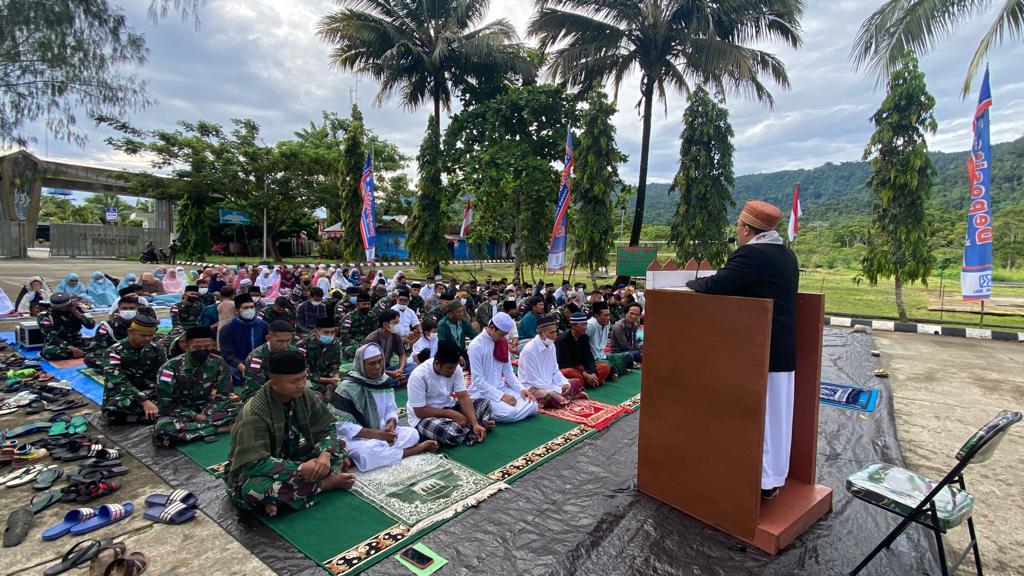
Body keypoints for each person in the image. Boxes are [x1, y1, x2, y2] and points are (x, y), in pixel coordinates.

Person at [686, 199, 798, 500]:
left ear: (747, 229)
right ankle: (774, 475)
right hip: (781, 349)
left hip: (762, 352)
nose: (736, 230)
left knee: (762, 419)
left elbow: (716, 285)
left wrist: (690, 283)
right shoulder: (786, 254)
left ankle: (763, 481)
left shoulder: (753, 255)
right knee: (777, 419)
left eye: (738, 226)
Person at [225, 350, 355, 517]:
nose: (301, 384)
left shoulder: (303, 394)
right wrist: (301, 469)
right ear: (274, 385)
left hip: (289, 458)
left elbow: (326, 428)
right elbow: (253, 463)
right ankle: (324, 484)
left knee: (338, 447)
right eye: (294, 381)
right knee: (255, 489)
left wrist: (325, 455)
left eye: (303, 378)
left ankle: (283, 498)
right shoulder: (255, 412)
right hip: (255, 470)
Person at [330, 344, 437, 472]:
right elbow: (340, 425)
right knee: (369, 450)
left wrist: (391, 423)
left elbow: (390, 408)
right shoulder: (346, 388)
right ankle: (414, 450)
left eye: (380, 362)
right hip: (354, 438)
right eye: (371, 363)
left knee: (412, 434)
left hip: (380, 431)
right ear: (361, 365)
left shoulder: (384, 382)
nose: (378, 367)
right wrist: (377, 435)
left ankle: (356, 459)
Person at [153, 326, 240, 446]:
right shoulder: (169, 368)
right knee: (163, 428)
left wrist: (207, 412)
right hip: (181, 413)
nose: (203, 350)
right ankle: (219, 429)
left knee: (241, 409)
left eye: (207, 347)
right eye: (197, 347)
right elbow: (166, 405)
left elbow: (224, 394)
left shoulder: (218, 362)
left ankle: (195, 431)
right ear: (187, 346)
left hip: (207, 408)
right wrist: (195, 416)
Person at [406, 342, 493, 446]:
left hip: (449, 406)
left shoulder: (455, 368)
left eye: (454, 367)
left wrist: (474, 423)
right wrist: (450, 414)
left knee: (485, 403)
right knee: (449, 434)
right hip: (425, 417)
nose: (452, 371)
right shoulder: (418, 375)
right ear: (437, 363)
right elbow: (419, 411)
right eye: (449, 368)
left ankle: (471, 428)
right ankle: (472, 429)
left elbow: (463, 396)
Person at [467, 313, 537, 423]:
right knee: (509, 413)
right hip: (481, 393)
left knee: (533, 405)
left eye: (505, 335)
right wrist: (502, 397)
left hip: (501, 388)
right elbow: (478, 381)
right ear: (491, 328)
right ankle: (478, 407)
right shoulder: (476, 345)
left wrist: (521, 389)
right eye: (501, 334)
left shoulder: (502, 342)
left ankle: (491, 412)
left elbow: (508, 371)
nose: (503, 338)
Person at [98, 315, 167, 423]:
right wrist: (144, 400)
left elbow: (162, 374)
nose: (148, 339)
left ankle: (150, 414)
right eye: (143, 335)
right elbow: (119, 381)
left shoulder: (157, 348)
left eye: (151, 335)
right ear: (130, 332)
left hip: (150, 390)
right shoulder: (114, 352)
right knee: (112, 410)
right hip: (124, 393)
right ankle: (142, 416)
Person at [519, 315, 587, 407]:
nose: (555, 336)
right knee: (551, 397)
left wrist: (564, 384)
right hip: (533, 387)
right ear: (541, 333)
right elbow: (532, 380)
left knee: (576, 382)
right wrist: (556, 389)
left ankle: (566, 398)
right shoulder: (529, 350)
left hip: (551, 384)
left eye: (555, 332)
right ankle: (569, 397)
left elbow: (555, 371)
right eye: (551, 333)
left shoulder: (551, 346)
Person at [218, 294, 271, 390]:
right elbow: (227, 354)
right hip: (237, 364)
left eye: (252, 307)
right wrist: (241, 366)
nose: (250, 310)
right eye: (245, 308)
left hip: (260, 362)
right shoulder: (228, 328)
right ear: (237, 311)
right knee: (231, 375)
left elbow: (268, 347)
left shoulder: (263, 326)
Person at [241, 320, 301, 399]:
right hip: (261, 394)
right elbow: (255, 386)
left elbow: (303, 376)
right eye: (280, 341)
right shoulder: (256, 357)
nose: (285, 345)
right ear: (268, 338)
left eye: (288, 340)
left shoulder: (294, 352)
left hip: (289, 390)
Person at [556, 312, 612, 387]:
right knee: (568, 372)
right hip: (571, 368)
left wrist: (592, 372)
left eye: (586, 324)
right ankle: (590, 382)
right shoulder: (563, 340)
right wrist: (584, 374)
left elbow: (589, 357)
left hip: (584, 369)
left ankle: (588, 381)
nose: (585, 327)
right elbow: (564, 363)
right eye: (582, 324)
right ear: (573, 325)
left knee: (605, 367)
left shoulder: (584, 337)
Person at [85, 295, 141, 368]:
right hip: (114, 354)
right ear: (118, 309)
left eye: (131, 308)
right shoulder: (107, 326)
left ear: (137, 309)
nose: (128, 311)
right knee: (90, 358)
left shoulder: (143, 323)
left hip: (138, 354)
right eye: (124, 308)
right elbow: (99, 348)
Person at [38, 292, 95, 360]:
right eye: (60, 308)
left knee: (99, 343)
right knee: (48, 352)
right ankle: (81, 353)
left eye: (66, 307)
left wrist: (76, 312)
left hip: (77, 340)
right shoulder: (45, 315)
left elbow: (91, 325)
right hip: (58, 343)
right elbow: (51, 336)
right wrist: (71, 348)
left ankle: (79, 353)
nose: (63, 310)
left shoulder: (77, 309)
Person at [298, 318, 343, 400]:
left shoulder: (335, 343)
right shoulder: (303, 345)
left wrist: (335, 376)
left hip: (328, 377)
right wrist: (329, 381)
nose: (330, 335)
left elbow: (335, 364)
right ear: (316, 332)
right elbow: (303, 372)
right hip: (309, 380)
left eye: (332, 332)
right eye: (326, 332)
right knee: (313, 394)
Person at [586, 301, 633, 379]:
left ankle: (614, 372)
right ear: (596, 316)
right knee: (606, 366)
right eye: (605, 315)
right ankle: (614, 371)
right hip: (594, 360)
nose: (608, 318)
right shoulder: (590, 325)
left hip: (604, 356)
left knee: (628, 356)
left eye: (609, 315)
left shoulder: (607, 323)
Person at [363, 310, 410, 386]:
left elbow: (402, 355)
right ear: (385, 324)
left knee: (413, 365)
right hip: (375, 370)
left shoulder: (396, 336)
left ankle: (395, 380)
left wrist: (400, 369)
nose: (398, 325)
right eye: (395, 323)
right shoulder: (371, 339)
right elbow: (367, 365)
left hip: (387, 368)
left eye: (398, 322)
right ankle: (398, 381)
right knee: (373, 377)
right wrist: (390, 373)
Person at [339, 293, 376, 360]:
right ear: (357, 304)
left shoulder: (372, 315)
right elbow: (344, 338)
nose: (367, 306)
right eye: (364, 304)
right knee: (352, 351)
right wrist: (360, 345)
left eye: (369, 304)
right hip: (352, 344)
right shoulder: (349, 317)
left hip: (368, 342)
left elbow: (375, 332)